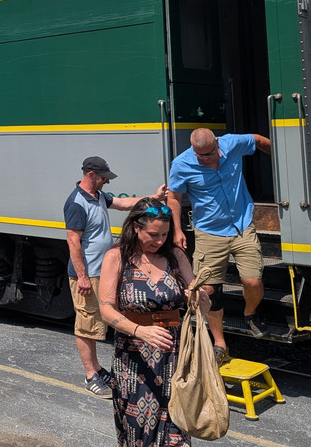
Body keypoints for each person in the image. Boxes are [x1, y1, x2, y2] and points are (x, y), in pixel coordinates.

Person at [98, 197, 208, 447]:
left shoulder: (176, 255)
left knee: (177, 425)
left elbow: (195, 295)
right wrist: (140, 331)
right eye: (153, 234)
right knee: (139, 430)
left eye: (164, 234)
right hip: (134, 358)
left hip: (175, 355)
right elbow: (106, 309)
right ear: (136, 227)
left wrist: (199, 298)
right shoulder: (117, 257)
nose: (159, 241)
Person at [64, 156, 167, 398]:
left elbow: (123, 203)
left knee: (102, 320)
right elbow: (73, 242)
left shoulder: (98, 196)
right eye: (103, 178)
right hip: (89, 273)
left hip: (104, 271)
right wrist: (82, 277)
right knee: (87, 324)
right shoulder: (76, 203)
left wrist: (153, 198)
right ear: (91, 175)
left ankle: (99, 370)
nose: (106, 183)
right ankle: (90, 376)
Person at [167, 128, 271, 366]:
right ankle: (220, 344)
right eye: (200, 155)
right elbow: (174, 197)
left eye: (210, 153)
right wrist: (178, 230)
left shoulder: (232, 143)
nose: (206, 158)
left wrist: (279, 154)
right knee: (208, 292)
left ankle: (250, 314)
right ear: (193, 150)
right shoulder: (181, 164)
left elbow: (256, 139)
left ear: (217, 143)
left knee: (253, 281)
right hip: (209, 231)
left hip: (242, 225)